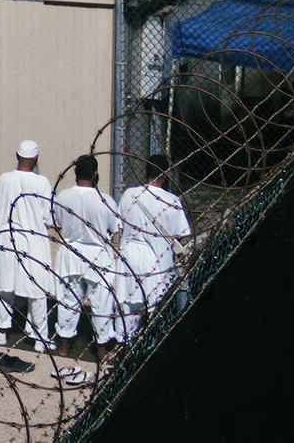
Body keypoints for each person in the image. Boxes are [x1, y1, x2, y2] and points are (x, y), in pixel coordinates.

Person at [114, 154, 191, 343]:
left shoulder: (129, 195)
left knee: (127, 302)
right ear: (165, 175)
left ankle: (124, 346)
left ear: (146, 172)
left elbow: (120, 226)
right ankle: (149, 345)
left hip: (129, 254)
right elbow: (183, 235)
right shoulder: (172, 201)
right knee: (155, 306)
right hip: (157, 259)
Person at [53, 154, 121, 361]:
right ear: (96, 173)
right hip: (97, 254)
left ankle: (64, 345)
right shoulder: (105, 200)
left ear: (75, 172)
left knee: (68, 301)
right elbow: (115, 228)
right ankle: (102, 349)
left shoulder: (63, 196)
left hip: (71, 253)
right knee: (102, 303)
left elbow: (57, 221)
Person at [0, 139, 56, 350]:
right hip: (33, 239)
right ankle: (39, 337)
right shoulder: (42, 183)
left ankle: (1, 331)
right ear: (36, 158)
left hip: (8, 236)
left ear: (16, 155)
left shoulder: (4, 179)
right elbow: (48, 217)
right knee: (36, 290)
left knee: (5, 287)